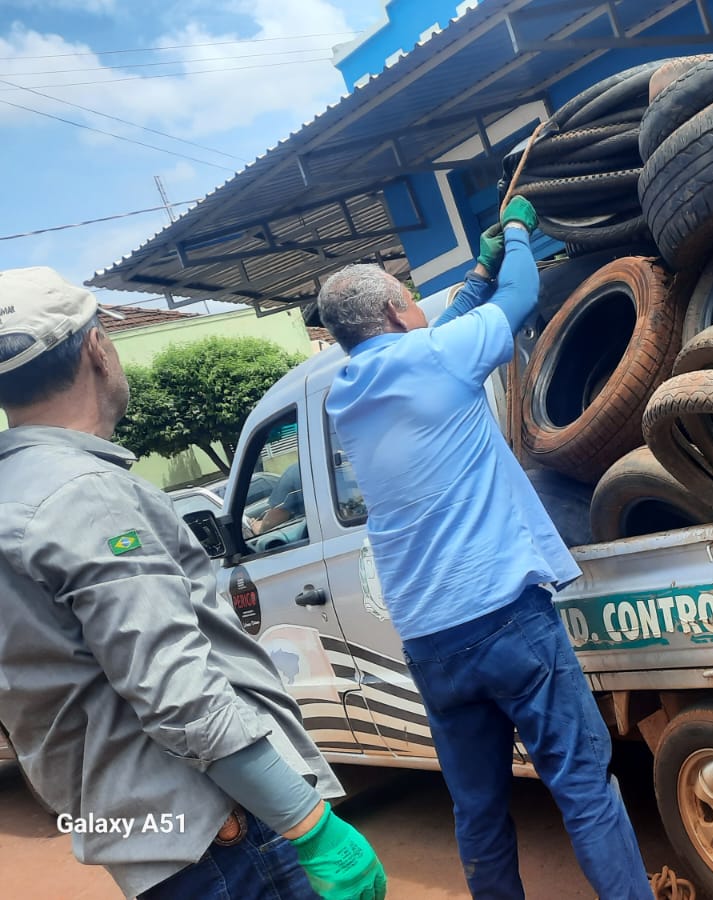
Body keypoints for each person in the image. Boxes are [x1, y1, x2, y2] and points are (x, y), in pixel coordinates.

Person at [0, 267, 387, 900]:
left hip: (147, 840)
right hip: (221, 839)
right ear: (98, 348)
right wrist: (310, 826)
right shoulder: (82, 496)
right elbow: (176, 688)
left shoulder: (14, 496)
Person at [317, 199, 653, 900]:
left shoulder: (347, 393)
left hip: (431, 641)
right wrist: (521, 235)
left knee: (478, 812)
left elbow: (435, 333)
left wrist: (476, 268)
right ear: (392, 315)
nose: (416, 308)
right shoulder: (436, 358)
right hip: (505, 617)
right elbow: (522, 298)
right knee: (583, 786)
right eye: (408, 299)